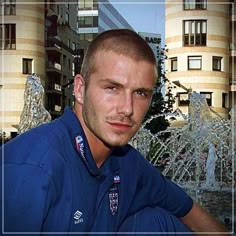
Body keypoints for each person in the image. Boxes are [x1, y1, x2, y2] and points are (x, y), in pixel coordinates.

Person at [0, 29, 228, 235]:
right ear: (80, 89)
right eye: (112, 88)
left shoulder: (128, 163)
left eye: (140, 93)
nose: (127, 109)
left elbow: (192, 214)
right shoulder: (30, 170)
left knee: (154, 222)